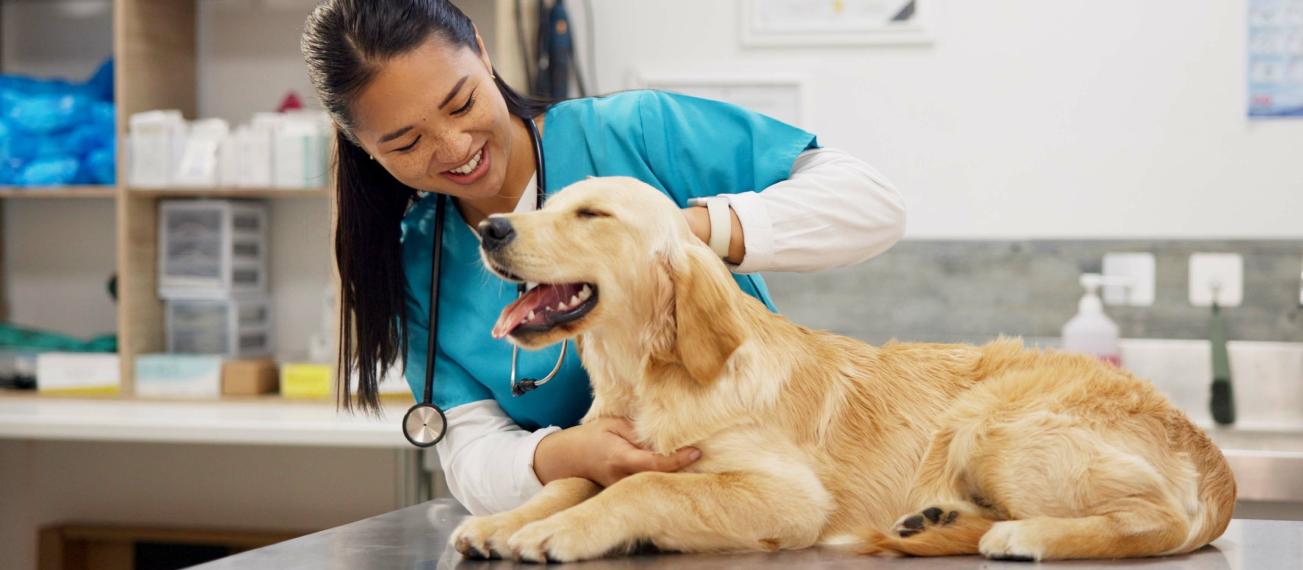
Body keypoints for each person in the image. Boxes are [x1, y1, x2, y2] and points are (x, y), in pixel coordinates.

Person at [302, 0, 905, 516]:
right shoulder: (416, 264)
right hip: (595, 528)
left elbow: (871, 204)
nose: (455, 148)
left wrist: (675, 235)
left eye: (461, 105)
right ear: (361, 144)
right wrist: (562, 456)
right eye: (407, 142)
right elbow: (468, 453)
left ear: (483, 54)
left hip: (756, 501)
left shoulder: (634, 132)